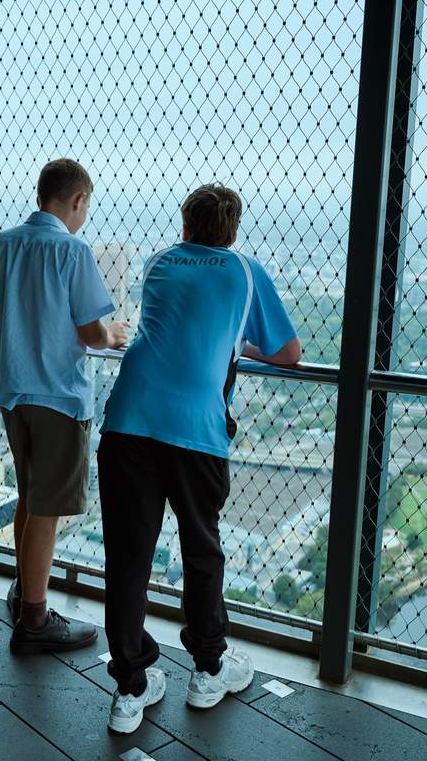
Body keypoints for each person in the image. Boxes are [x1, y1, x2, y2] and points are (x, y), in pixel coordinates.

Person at [98, 183, 301, 733]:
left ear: (184, 225)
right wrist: (242, 347)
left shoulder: (159, 261)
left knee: (129, 558)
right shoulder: (244, 271)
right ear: (233, 233)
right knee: (202, 552)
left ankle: (130, 688)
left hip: (128, 423)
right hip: (196, 432)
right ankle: (208, 670)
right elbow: (288, 353)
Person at [0, 158, 130, 654]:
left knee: (30, 496)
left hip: (12, 391)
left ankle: (23, 589)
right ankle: (35, 618)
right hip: (58, 395)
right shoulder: (73, 252)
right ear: (77, 200)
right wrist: (111, 334)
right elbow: (89, 331)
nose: (85, 216)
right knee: (48, 508)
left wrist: (18, 331)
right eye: (86, 207)